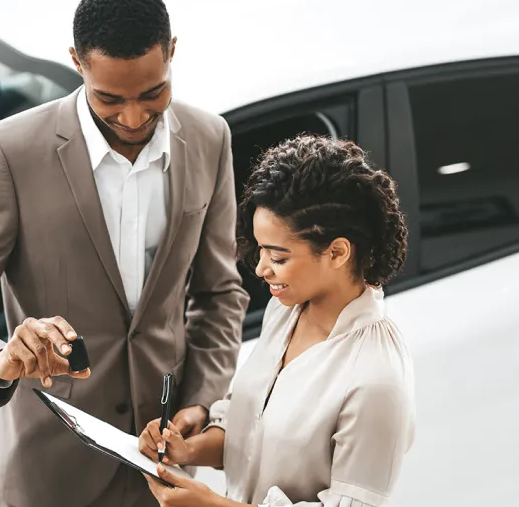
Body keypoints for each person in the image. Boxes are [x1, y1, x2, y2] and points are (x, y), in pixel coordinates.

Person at [0, 0, 249, 505]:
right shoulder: (7, 152)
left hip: (163, 470)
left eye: (153, 93)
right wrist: (1, 358)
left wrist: (202, 401)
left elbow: (221, 293)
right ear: (77, 62)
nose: (135, 117)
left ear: (172, 52)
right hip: (52, 473)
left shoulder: (211, 138)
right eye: (111, 99)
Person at [139, 135, 416, 506]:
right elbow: (252, 436)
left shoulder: (375, 381)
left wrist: (211, 505)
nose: (261, 268)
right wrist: (187, 450)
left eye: (278, 257)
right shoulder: (285, 309)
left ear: (336, 252)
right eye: (260, 250)